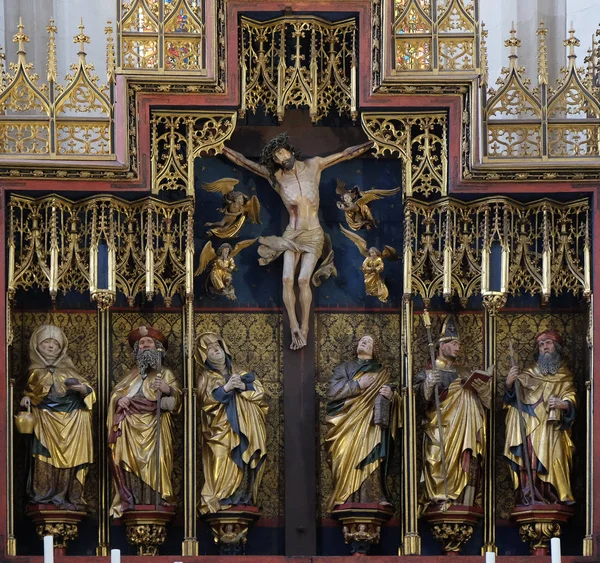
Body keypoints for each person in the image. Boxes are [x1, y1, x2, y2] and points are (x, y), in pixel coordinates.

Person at [222, 133, 373, 350]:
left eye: (281, 152)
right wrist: (221, 148)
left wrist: (370, 143)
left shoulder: (314, 166)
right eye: (275, 157)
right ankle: (293, 325)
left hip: (313, 234)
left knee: (303, 280)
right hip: (291, 234)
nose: (280, 158)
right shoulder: (277, 178)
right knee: (286, 280)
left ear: (289, 149)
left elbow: (344, 155)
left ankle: (305, 328)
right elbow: (244, 162)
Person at [414, 315, 489, 508]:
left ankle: (462, 499)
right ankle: (439, 498)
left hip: (465, 430)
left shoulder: (464, 373)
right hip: (439, 428)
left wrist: (481, 390)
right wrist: (428, 384)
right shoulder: (427, 372)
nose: (458, 347)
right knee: (436, 457)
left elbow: (486, 404)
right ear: (442, 345)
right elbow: (416, 405)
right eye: (454, 343)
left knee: (465, 461)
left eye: (459, 344)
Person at [108, 326, 181, 517]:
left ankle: (156, 500)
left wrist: (168, 389)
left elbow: (178, 402)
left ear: (158, 348)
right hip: (130, 429)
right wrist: (119, 400)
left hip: (156, 427)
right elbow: (117, 393)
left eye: (149, 343)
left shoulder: (165, 374)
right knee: (127, 462)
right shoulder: (131, 376)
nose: (145, 346)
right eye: (141, 344)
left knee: (158, 463)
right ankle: (133, 500)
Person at [20, 324, 95, 510]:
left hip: (73, 423)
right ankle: (44, 496)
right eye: (46, 342)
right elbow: (30, 394)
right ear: (37, 346)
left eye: (55, 343)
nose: (51, 347)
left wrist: (83, 389)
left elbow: (90, 393)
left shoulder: (70, 371)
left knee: (72, 458)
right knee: (43, 459)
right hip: (45, 422)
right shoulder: (34, 372)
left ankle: (68, 495)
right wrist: (26, 399)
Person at [325, 335, 400, 511]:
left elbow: (397, 403)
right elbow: (332, 393)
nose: (363, 342)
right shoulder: (344, 368)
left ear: (375, 349)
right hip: (347, 423)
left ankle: (375, 495)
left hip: (372, 423)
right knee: (345, 454)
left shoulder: (383, 372)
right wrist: (358, 384)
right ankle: (346, 495)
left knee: (371, 453)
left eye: (368, 341)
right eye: (361, 341)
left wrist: (391, 396)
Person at [195, 332, 268, 514]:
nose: (215, 350)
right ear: (205, 357)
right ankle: (221, 498)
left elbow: (261, 394)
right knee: (222, 459)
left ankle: (242, 496)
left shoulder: (241, 373)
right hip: (220, 431)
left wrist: (243, 387)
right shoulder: (206, 377)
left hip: (246, 428)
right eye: (210, 349)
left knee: (245, 459)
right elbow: (205, 400)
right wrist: (226, 388)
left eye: (217, 347)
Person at [504, 330, 576, 505]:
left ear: (557, 347)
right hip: (530, 424)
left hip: (552, 427)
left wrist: (564, 404)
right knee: (530, 459)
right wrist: (510, 383)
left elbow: (571, 396)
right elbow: (513, 399)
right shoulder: (529, 372)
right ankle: (529, 496)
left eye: (548, 343)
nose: (544, 347)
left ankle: (554, 495)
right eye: (541, 345)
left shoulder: (565, 375)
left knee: (556, 458)